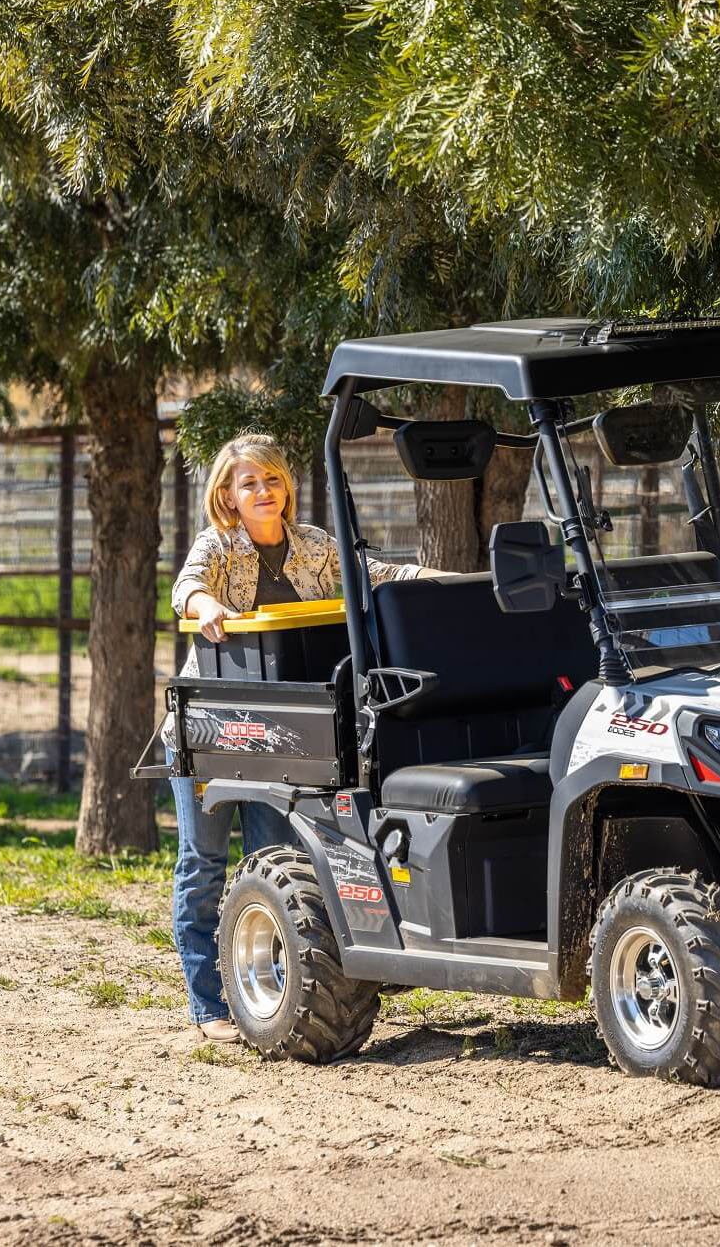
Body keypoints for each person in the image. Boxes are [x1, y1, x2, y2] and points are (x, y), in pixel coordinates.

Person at [167, 432, 424, 1042]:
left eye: (272, 480)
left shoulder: (311, 544)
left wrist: (433, 576)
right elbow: (186, 587)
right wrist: (205, 607)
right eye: (248, 483)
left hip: (280, 732)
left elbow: (373, 572)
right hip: (211, 726)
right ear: (228, 495)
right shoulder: (217, 546)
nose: (263, 491)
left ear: (287, 486)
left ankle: (272, 989)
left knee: (275, 861)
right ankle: (207, 1003)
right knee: (203, 863)